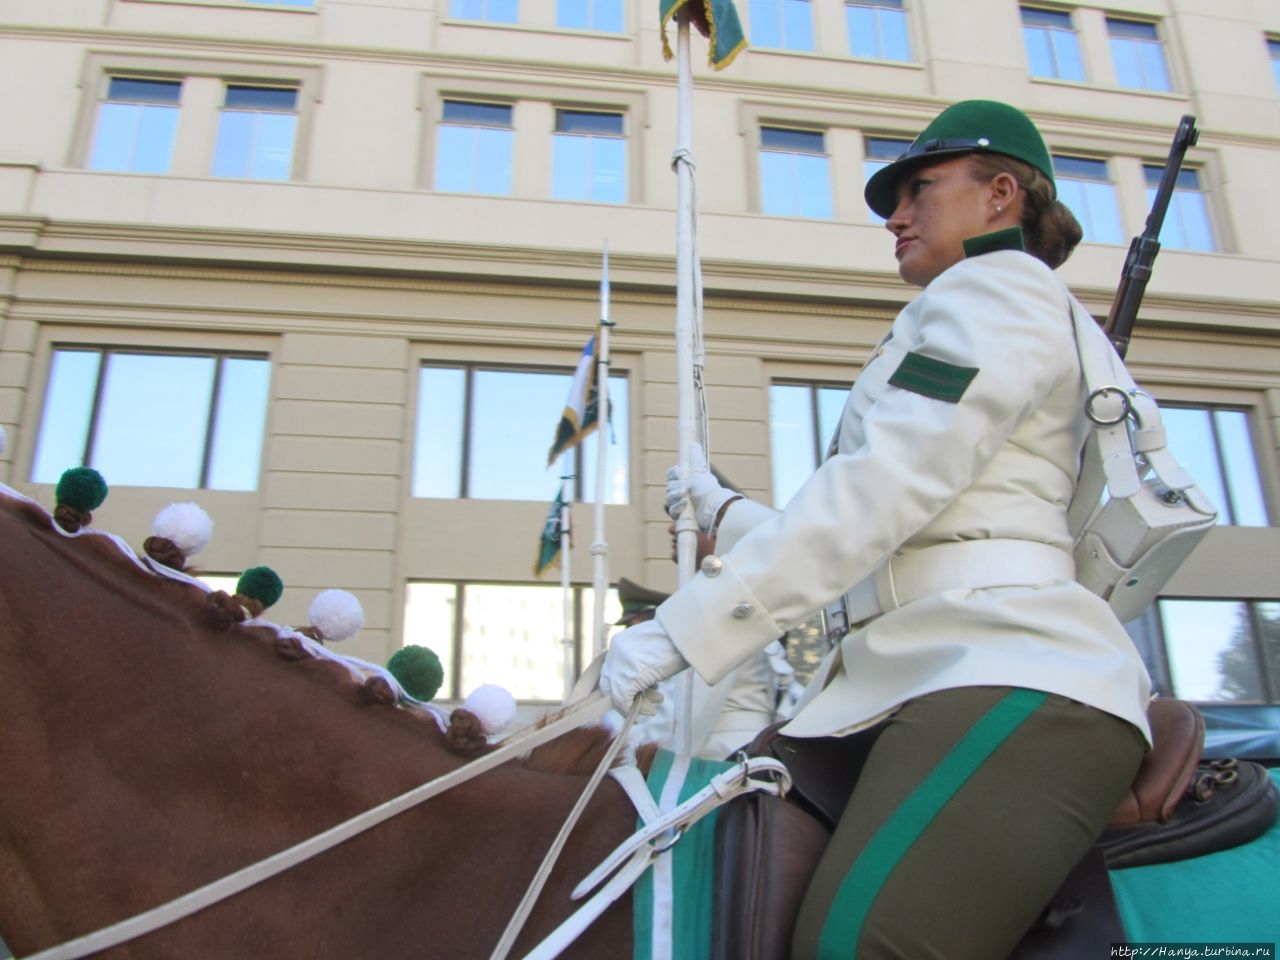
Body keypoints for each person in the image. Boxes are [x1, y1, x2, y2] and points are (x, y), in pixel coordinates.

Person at [600, 99, 1152, 959]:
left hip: (1007, 664)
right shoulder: (992, 301)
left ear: (1000, 194)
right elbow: (914, 536)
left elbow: (888, 484)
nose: (895, 216)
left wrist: (685, 627)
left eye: (919, 189)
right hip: (930, 663)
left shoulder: (994, 287)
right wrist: (727, 515)